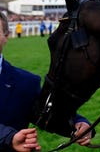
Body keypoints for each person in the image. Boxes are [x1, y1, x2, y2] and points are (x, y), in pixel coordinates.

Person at [0, 12, 93, 151]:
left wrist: (77, 124)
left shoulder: (25, 82)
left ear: (6, 36)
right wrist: (9, 138)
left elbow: (45, 113)